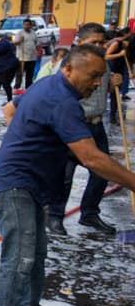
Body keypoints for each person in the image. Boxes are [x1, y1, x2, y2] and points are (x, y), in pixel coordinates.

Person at [0, 44, 135, 306]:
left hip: (30, 185)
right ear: (68, 68)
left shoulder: (49, 84)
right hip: (14, 186)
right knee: (20, 258)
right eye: (92, 76)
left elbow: (11, 110)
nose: (96, 83)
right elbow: (91, 158)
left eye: (100, 78)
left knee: (36, 253)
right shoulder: (61, 99)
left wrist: (27, 139)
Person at [46, 23, 121, 236]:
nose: (99, 46)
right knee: (64, 175)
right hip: (73, 125)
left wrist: (114, 82)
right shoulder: (70, 64)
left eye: (102, 42)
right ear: (80, 43)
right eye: (93, 42)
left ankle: (89, 213)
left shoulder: (103, 64)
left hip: (97, 124)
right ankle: (54, 216)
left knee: (102, 172)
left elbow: (100, 87)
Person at [12, 19, 39, 89]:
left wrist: (38, 52)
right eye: (24, 25)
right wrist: (20, 41)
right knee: (19, 74)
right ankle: (17, 87)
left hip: (32, 57)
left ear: (30, 25)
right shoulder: (20, 33)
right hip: (22, 57)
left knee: (30, 74)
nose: (26, 26)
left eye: (27, 25)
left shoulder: (33, 33)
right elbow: (15, 43)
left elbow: (36, 43)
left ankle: (28, 88)